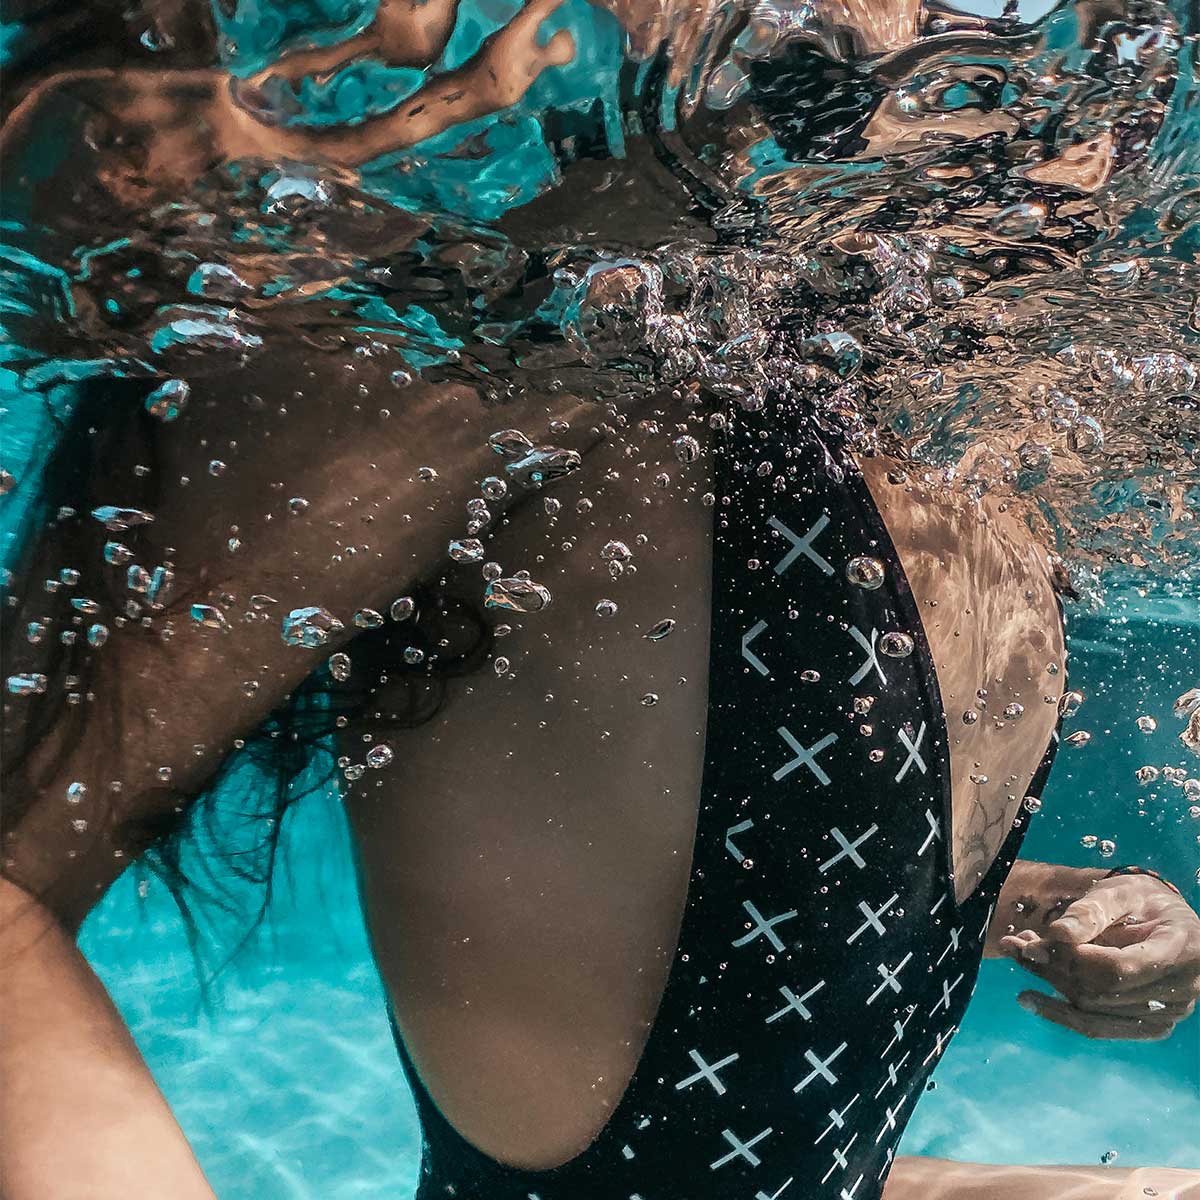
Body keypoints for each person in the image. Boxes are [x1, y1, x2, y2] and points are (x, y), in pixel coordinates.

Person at [1, 2, 1199, 1198]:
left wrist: (1035, 902)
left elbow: (740, 1008)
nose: (1084, 95)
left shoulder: (921, 386)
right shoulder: (508, 343)